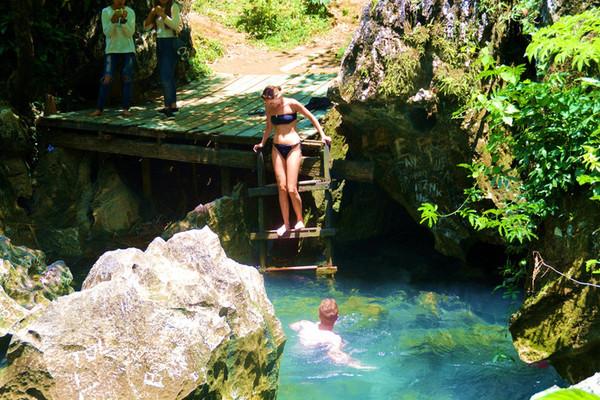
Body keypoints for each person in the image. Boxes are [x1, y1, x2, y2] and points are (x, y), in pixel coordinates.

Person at [253, 86, 332, 236]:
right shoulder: (269, 108)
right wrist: (262, 143)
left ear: (279, 95)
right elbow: (269, 127)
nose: (269, 105)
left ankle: (300, 219)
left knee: (291, 187)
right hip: (277, 147)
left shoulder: (292, 104)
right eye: (267, 103)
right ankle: (286, 224)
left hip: (293, 147)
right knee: (281, 187)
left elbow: (311, 117)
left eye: (272, 101)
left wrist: (323, 135)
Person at [290, 299, 373, 370]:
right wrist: (356, 364)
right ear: (337, 317)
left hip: (295, 355)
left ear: (319, 315)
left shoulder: (305, 324)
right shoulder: (334, 338)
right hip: (309, 361)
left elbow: (291, 327)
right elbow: (334, 353)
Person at [91, 0, 136, 117]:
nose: (120, 1)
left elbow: (130, 33)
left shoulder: (130, 12)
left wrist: (123, 21)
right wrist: (114, 20)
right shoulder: (106, 11)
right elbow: (107, 33)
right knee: (106, 78)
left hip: (128, 50)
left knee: (127, 77)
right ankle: (99, 108)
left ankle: (126, 108)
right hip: (111, 50)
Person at [144, 0, 182, 118]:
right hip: (160, 42)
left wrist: (162, 14)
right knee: (167, 75)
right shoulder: (156, 8)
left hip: (170, 42)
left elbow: (175, 25)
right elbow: (146, 27)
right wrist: (152, 14)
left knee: (166, 76)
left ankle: (168, 107)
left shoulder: (173, 6)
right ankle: (173, 105)